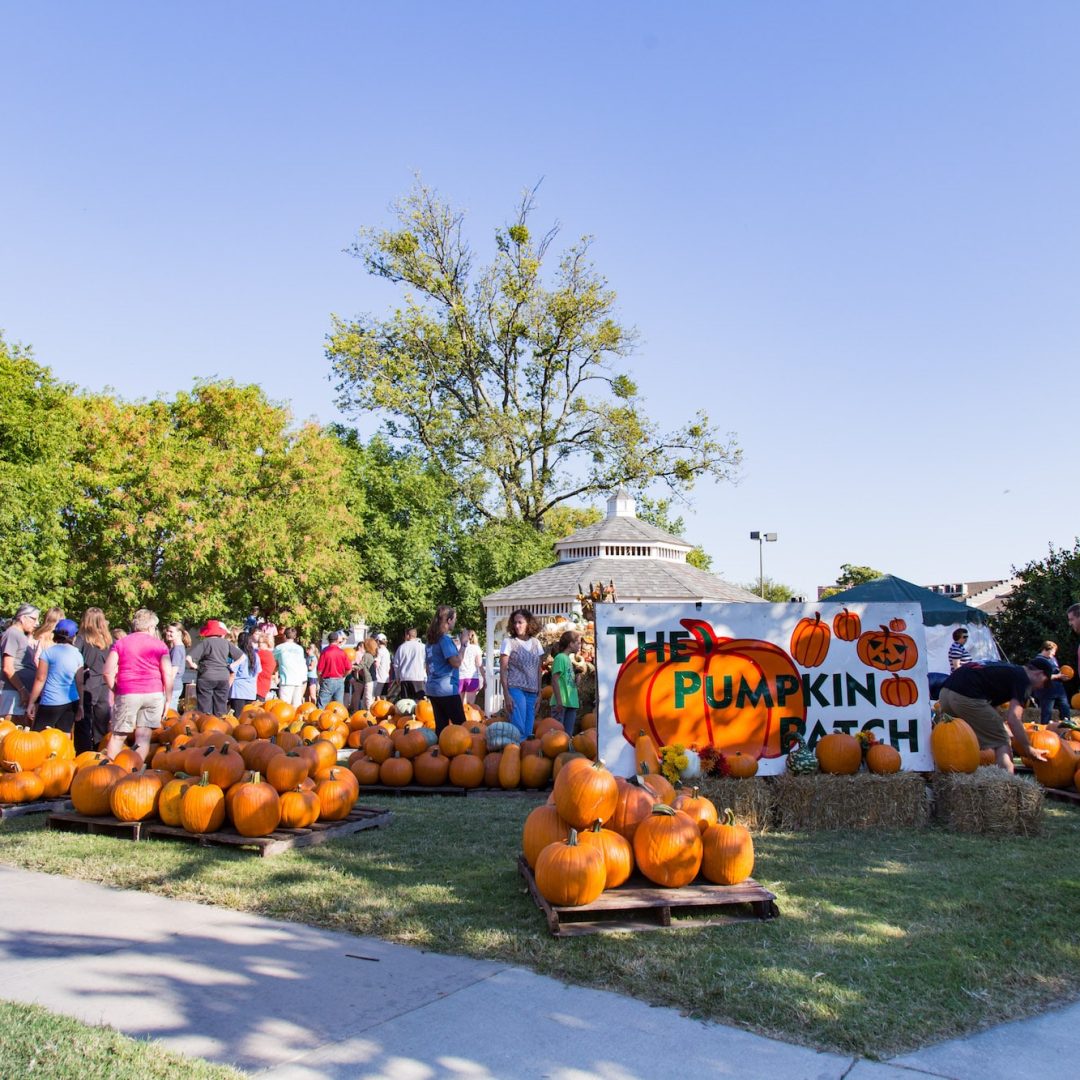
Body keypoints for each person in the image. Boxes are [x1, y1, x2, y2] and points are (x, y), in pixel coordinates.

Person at [938, 659, 1052, 772]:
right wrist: (1028, 748)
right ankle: (1006, 784)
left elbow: (989, 710)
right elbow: (1014, 718)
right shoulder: (1024, 680)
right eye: (1046, 682)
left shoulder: (1008, 670)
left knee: (958, 736)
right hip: (967, 696)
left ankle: (949, 772)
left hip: (945, 693)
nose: (1042, 687)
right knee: (1002, 740)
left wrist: (1003, 728)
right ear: (1039, 673)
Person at [103, 609, 173, 764]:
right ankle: (135, 772)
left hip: (128, 692)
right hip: (154, 693)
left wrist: (116, 690)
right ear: (150, 627)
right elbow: (167, 674)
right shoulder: (160, 645)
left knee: (118, 735)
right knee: (143, 737)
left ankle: (111, 770)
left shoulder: (121, 643)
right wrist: (168, 698)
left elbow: (107, 672)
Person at [26, 618, 83, 735]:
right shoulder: (77, 654)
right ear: (74, 636)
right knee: (64, 736)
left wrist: (31, 702)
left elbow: (40, 678)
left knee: (38, 737)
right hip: (71, 701)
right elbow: (80, 682)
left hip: (50, 702)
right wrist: (81, 705)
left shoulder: (48, 652)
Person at [500, 608, 544, 737]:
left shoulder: (536, 643)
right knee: (519, 729)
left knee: (528, 730)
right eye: (515, 623)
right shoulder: (508, 642)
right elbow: (503, 670)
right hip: (515, 689)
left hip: (532, 691)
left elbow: (538, 669)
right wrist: (506, 694)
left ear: (528, 623)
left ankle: (525, 755)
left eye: (520, 622)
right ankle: (514, 754)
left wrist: (539, 693)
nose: (517, 625)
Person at [424, 606, 467, 733]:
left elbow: (427, 667)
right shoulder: (444, 640)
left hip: (433, 689)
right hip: (446, 689)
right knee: (462, 728)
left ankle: (440, 751)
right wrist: (464, 644)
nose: (455, 622)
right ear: (448, 620)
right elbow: (456, 662)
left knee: (441, 728)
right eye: (454, 619)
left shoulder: (430, 641)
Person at [75, 607, 113, 750]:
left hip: (87, 683)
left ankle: (83, 753)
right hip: (103, 684)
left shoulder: (82, 639)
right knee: (100, 721)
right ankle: (100, 750)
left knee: (83, 721)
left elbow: (74, 658)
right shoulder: (108, 641)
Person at [186, 619, 242, 716]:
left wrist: (195, 667)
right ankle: (221, 727)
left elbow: (188, 658)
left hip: (206, 677)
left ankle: (206, 726)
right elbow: (242, 657)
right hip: (223, 677)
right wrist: (231, 666)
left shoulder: (205, 643)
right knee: (221, 707)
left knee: (204, 709)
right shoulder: (226, 643)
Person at [0, 604, 41, 718]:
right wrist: (22, 690)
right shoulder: (12, 634)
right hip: (12, 692)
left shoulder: (20, 635)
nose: (37, 623)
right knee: (10, 732)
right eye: (34, 619)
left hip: (20, 692)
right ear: (23, 618)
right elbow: (8, 667)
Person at [550, 630, 582, 735]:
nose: (580, 646)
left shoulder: (567, 659)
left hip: (570, 702)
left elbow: (568, 682)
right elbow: (554, 680)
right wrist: (559, 701)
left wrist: (576, 681)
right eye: (578, 643)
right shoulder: (560, 658)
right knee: (557, 737)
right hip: (561, 703)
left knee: (568, 736)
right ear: (570, 644)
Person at [1032, 641, 1072, 726]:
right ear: (1046, 649)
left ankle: (1067, 730)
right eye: (1053, 651)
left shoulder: (1053, 659)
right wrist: (1058, 676)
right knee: (1047, 714)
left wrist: (1062, 677)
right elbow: (1041, 677)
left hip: (1059, 690)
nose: (1054, 654)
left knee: (1065, 710)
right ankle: (1045, 732)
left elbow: (1057, 672)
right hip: (1046, 691)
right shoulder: (1038, 660)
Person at [273, 627, 308, 707]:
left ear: (284, 636)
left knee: (284, 706)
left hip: (286, 680)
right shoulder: (300, 649)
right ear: (295, 637)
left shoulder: (279, 648)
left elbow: (272, 659)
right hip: (298, 680)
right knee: (296, 706)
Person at [229, 631, 261, 714]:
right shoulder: (255, 656)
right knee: (248, 717)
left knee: (237, 718)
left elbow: (233, 674)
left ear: (239, 642)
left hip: (238, 691)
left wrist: (226, 688)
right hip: (251, 690)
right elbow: (257, 673)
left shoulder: (238, 655)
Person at [317, 631, 351, 706]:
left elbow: (319, 669)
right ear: (337, 640)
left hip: (327, 680)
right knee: (338, 706)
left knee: (322, 704)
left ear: (328, 640)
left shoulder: (325, 651)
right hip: (339, 680)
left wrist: (320, 680)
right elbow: (349, 668)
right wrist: (343, 676)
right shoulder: (342, 652)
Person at [393, 628, 427, 700]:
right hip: (418, 677)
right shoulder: (422, 647)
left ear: (407, 635)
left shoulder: (401, 647)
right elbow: (427, 662)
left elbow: (396, 664)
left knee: (406, 703)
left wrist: (397, 676)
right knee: (420, 703)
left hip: (405, 677)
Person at [164, 623, 188, 715]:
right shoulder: (177, 647)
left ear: (179, 633)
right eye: (167, 631)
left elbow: (173, 672)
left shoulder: (177, 649)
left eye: (171, 631)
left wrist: (166, 687)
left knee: (170, 714)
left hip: (173, 686)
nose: (168, 633)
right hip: (175, 686)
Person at [457, 629, 484, 706]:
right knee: (470, 706)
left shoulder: (457, 647)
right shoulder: (476, 648)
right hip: (472, 678)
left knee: (459, 705)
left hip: (460, 677)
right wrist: (484, 678)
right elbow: (479, 664)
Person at [254, 630, 277, 702]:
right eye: (258, 642)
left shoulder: (262, 653)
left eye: (261, 642)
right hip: (265, 683)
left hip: (259, 684)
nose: (258, 644)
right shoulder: (270, 654)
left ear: (267, 643)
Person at [372, 633, 391, 700]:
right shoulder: (387, 651)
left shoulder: (379, 651)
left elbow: (376, 664)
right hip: (386, 677)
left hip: (379, 677)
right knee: (383, 696)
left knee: (377, 696)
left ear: (377, 641)